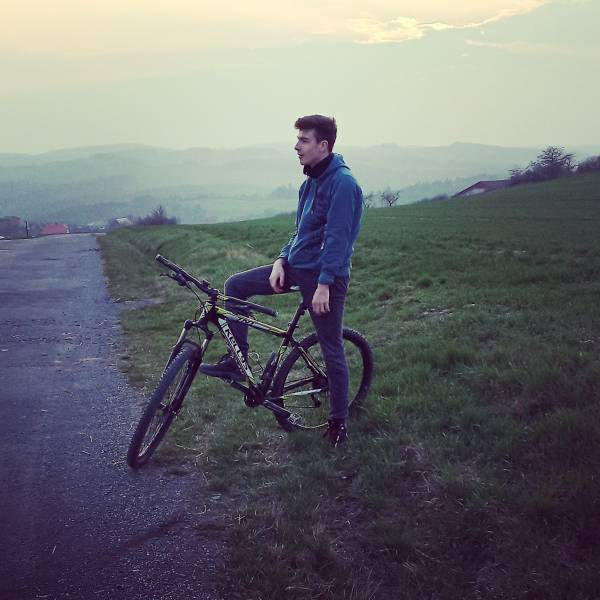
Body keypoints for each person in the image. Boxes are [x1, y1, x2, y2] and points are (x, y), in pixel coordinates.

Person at [200, 114, 363, 446]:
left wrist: (324, 284)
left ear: (323, 145)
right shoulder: (309, 183)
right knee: (235, 286)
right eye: (297, 139)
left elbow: (339, 240)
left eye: (303, 140)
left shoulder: (343, 184)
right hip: (296, 267)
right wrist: (281, 260)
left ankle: (338, 423)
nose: (296, 146)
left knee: (331, 348)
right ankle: (237, 361)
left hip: (325, 278)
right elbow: (300, 233)